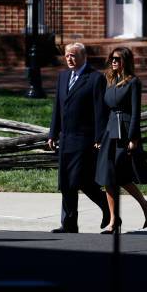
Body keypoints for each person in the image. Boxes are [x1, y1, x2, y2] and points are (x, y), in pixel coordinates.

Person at [48, 42, 111, 233]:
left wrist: (99, 137)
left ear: (84, 57)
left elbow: (100, 110)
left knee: (82, 180)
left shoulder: (94, 78)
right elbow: (58, 107)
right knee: (66, 182)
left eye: (73, 55)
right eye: (67, 55)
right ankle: (69, 223)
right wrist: (53, 132)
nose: (69, 59)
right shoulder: (63, 76)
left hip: (84, 138)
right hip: (66, 137)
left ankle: (107, 208)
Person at [95, 47, 147, 234]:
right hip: (109, 132)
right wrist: (99, 137)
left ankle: (145, 205)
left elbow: (136, 111)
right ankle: (114, 221)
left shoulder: (134, 82)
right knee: (107, 177)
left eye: (118, 59)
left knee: (120, 176)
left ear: (125, 62)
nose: (113, 62)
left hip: (125, 131)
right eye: (112, 58)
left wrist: (133, 137)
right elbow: (104, 111)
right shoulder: (109, 80)